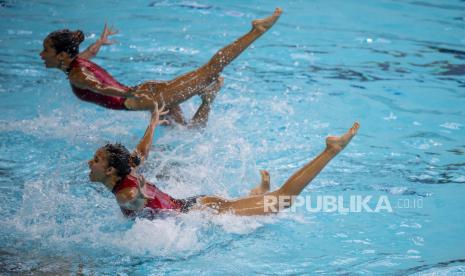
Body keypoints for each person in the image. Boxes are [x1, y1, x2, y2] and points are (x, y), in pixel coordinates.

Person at [88, 102, 360, 217]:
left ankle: (330, 150)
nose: (90, 162)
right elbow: (141, 153)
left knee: (282, 201)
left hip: (200, 212)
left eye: (96, 159)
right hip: (194, 203)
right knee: (258, 206)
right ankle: (258, 192)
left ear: (111, 169)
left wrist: (143, 194)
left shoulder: (126, 191)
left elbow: (134, 199)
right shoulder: (127, 168)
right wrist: (152, 123)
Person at [40, 9, 282, 126]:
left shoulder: (77, 74)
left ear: (62, 55)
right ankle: (207, 99)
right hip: (146, 96)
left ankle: (255, 31)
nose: (42, 55)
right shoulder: (78, 61)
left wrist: (128, 94)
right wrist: (100, 44)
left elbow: (100, 87)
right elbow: (89, 54)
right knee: (185, 133)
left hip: (143, 99)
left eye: (46, 50)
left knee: (209, 70)